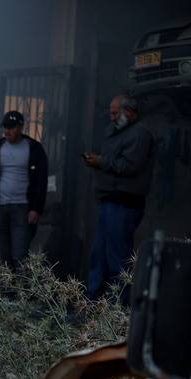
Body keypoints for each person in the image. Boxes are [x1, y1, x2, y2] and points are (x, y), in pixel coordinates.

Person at [82, 94, 155, 303]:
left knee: (118, 257)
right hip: (111, 202)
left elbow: (130, 166)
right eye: (111, 113)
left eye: (116, 113)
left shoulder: (139, 134)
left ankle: (118, 307)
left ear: (129, 112)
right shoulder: (116, 132)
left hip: (124, 203)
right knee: (99, 255)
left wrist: (101, 162)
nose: (112, 117)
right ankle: (93, 302)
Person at [0, 110, 48, 273]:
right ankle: (4, 287)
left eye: (11, 127)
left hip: (22, 208)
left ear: (20, 127)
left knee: (19, 254)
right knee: (2, 254)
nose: (7, 131)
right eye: (5, 127)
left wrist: (36, 208)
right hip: (0, 206)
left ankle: (20, 287)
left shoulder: (34, 148)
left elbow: (41, 181)